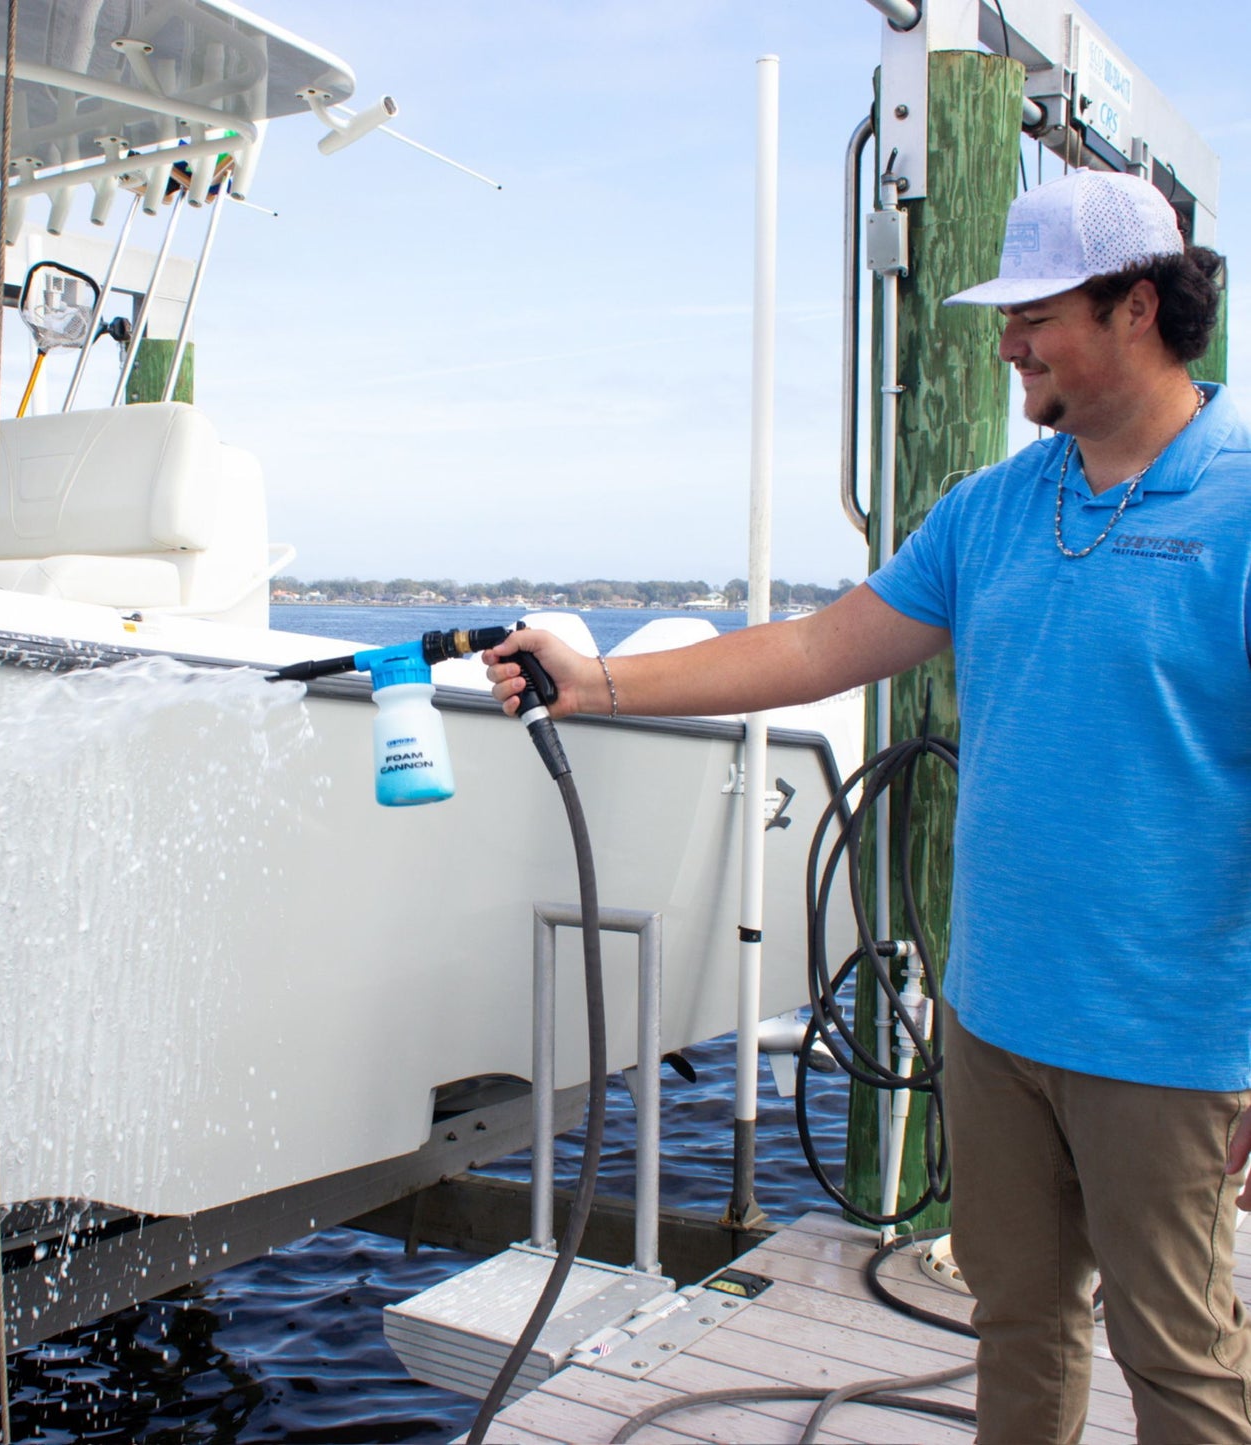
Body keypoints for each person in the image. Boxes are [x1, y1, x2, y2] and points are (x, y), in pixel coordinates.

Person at [485, 168, 1251, 1444]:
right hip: (994, 1011)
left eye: (1033, 314)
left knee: (1174, 1354)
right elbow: (815, 648)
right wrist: (598, 680)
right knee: (1016, 1316)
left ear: (1134, 308)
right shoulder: (997, 505)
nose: (1004, 343)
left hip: (1164, 1039)